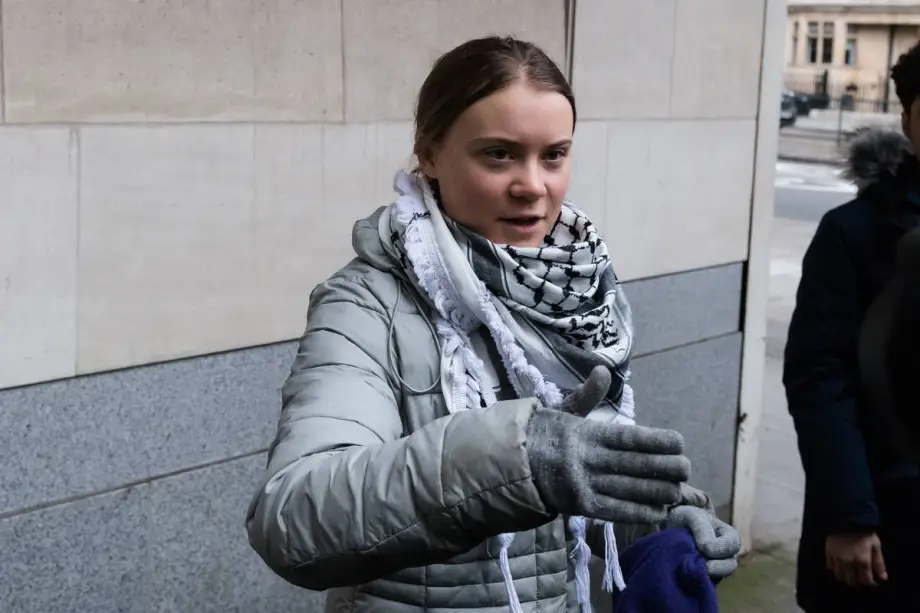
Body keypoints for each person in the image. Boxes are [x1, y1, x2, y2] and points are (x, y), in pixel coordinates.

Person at [246, 36, 740, 612]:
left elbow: (571, 487)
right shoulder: (366, 302)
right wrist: (517, 459)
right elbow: (292, 518)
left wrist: (657, 522)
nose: (533, 185)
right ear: (430, 155)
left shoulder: (575, 289)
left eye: (553, 155)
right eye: (500, 154)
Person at [784, 40, 920, 613]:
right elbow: (819, 377)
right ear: (907, 120)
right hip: (886, 521)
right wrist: (848, 516)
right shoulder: (854, 232)